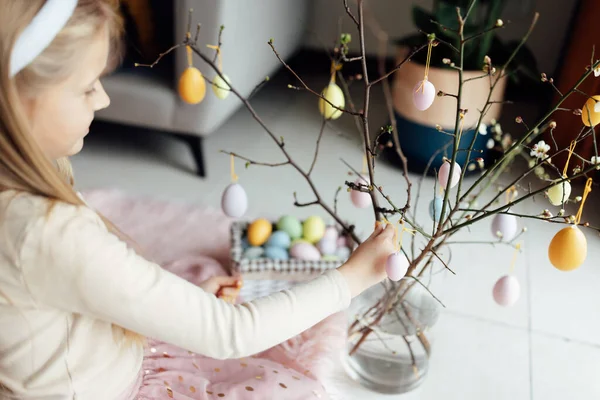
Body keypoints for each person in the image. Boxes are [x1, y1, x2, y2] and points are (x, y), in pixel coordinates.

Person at [0, 1, 397, 399]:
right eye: (87, 87)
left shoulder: (27, 191)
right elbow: (233, 332)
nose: (102, 100)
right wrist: (351, 278)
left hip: (101, 357)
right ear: (17, 102)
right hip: (113, 386)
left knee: (194, 278)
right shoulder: (46, 232)